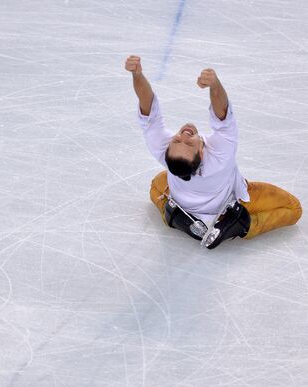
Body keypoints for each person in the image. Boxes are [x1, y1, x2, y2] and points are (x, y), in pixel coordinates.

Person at [125, 55, 302, 248]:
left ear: (167, 153)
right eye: (189, 142)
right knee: (293, 208)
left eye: (177, 140)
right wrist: (215, 85)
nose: (184, 135)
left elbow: (148, 108)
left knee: (156, 184)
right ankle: (240, 225)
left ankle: (176, 217)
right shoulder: (220, 154)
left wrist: (137, 75)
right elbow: (222, 113)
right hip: (228, 203)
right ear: (201, 154)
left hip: (184, 202)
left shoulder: (164, 152)